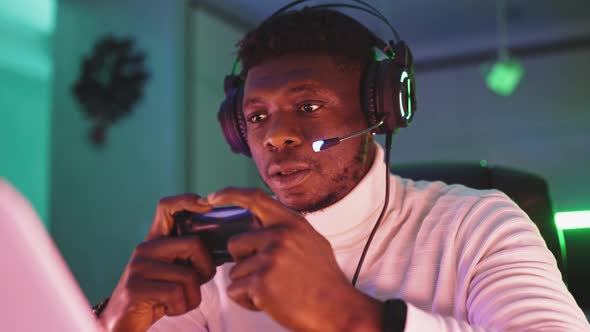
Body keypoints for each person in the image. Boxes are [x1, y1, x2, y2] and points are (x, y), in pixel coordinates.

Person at [96, 5, 589, 332]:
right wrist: (114, 319)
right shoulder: (212, 257)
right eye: (257, 116)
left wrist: (350, 317)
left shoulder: (476, 224)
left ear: (380, 111)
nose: (275, 135)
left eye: (307, 106)